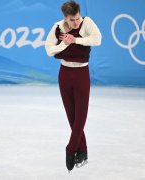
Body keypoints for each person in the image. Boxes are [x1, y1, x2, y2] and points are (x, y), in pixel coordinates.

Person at [45, 0, 102, 172]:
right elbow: (48, 49)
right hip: (65, 73)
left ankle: (71, 149)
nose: (76, 22)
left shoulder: (87, 23)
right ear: (65, 19)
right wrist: (65, 43)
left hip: (81, 74)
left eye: (77, 18)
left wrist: (75, 39)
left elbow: (97, 39)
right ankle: (82, 150)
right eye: (72, 20)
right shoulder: (57, 28)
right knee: (71, 115)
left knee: (81, 114)